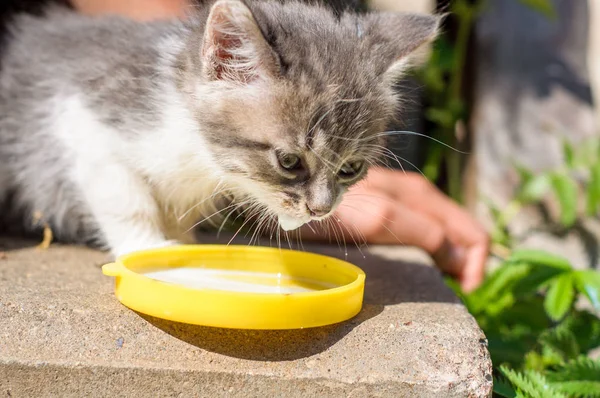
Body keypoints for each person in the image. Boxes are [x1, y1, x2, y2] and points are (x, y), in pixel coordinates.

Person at [73, 0, 491, 292]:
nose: (322, 205)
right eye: (291, 162)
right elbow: (89, 132)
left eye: (348, 171)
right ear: (224, 63)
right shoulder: (159, 112)